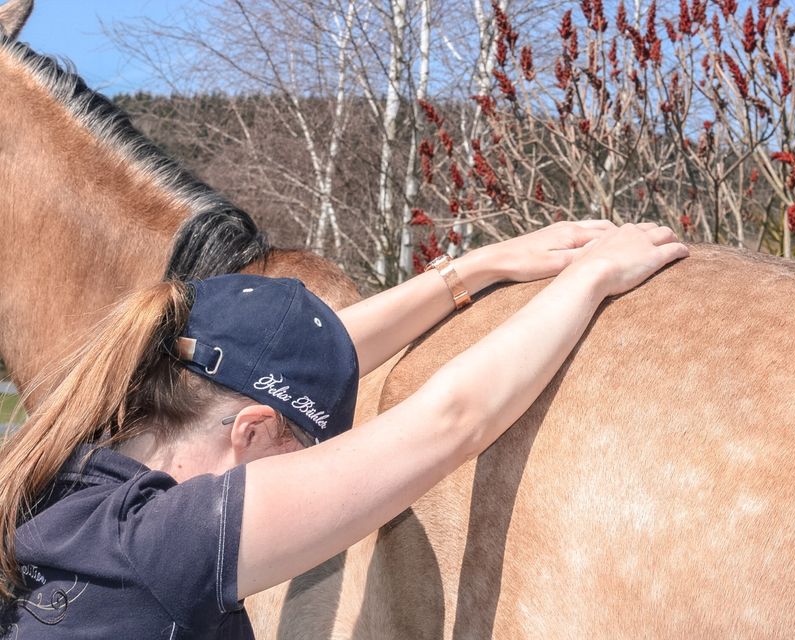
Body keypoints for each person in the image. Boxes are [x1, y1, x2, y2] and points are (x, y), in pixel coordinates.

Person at [0, 220, 687, 638]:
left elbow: (290, 363)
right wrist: (591, 278)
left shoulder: (64, 465)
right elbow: (450, 422)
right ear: (254, 433)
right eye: (304, 452)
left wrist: (472, 271)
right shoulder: (166, 542)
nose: (307, 471)